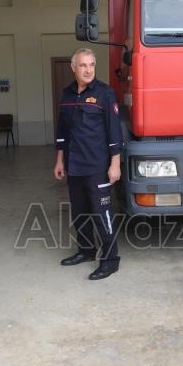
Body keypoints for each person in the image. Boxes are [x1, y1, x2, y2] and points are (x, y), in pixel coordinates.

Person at [54, 48, 123, 280]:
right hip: (74, 165)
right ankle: (86, 250)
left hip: (97, 166)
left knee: (102, 213)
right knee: (80, 212)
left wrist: (115, 164)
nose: (88, 69)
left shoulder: (105, 94)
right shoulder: (67, 94)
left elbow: (114, 131)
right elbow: (62, 130)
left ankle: (111, 259)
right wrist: (60, 160)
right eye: (83, 65)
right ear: (74, 68)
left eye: (92, 65)